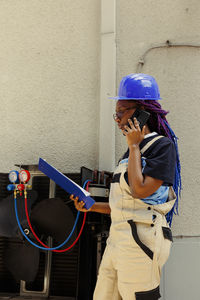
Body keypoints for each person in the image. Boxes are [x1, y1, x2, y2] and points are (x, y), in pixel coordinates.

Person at [71, 73, 181, 300]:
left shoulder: (161, 147)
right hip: (118, 237)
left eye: (122, 111)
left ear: (143, 112)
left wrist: (134, 147)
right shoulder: (127, 156)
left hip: (142, 237)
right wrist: (90, 207)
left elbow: (140, 191)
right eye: (117, 113)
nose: (118, 119)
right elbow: (123, 206)